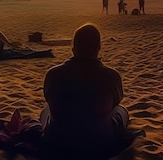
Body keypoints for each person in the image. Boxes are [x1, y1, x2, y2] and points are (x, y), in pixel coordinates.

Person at [41, 23, 131, 156]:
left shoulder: (53, 74)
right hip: (100, 142)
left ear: (73, 48)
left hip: (58, 140)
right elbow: (116, 102)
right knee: (121, 110)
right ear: (98, 48)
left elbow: (49, 97)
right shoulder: (111, 75)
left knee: (46, 110)